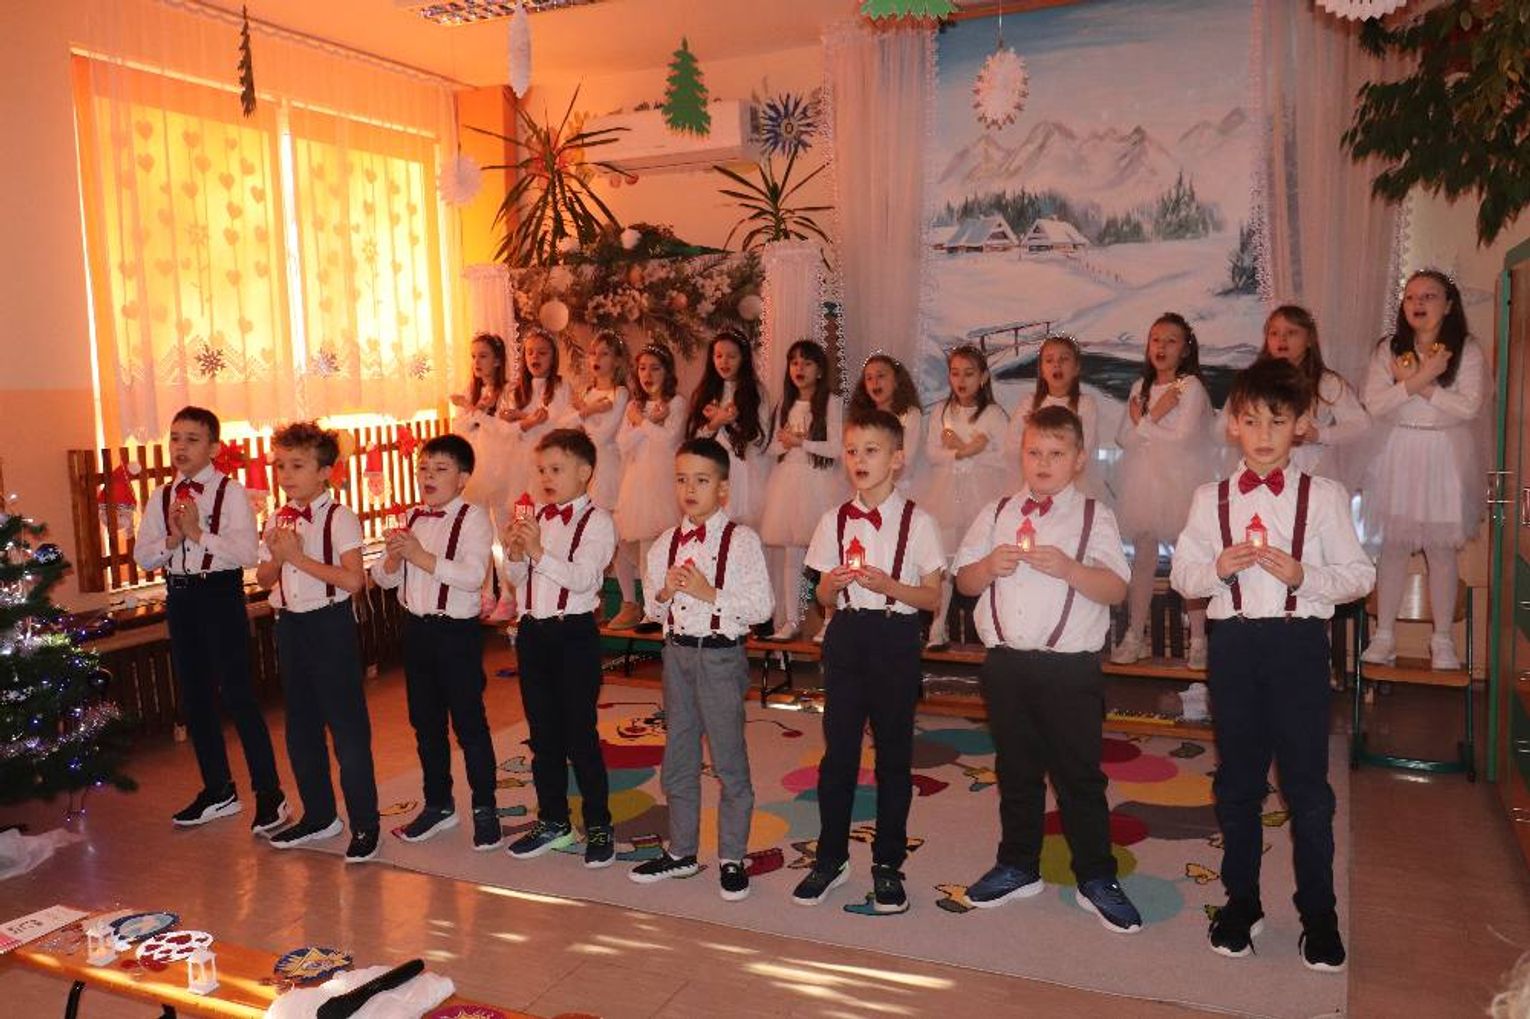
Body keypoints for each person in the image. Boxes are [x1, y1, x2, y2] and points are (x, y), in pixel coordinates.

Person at [1170, 359, 1374, 971]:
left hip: (1297, 648)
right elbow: (1183, 575)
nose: (1263, 434)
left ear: (1302, 425)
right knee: (1238, 783)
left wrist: (1305, 576)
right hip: (1233, 649)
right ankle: (1242, 902)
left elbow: (1360, 576)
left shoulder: (1324, 497)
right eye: (1252, 420)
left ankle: (1319, 913)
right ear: (1233, 424)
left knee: (1308, 789)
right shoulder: (1210, 499)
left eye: (1278, 421)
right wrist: (1217, 570)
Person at [954, 405, 1143, 934]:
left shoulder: (1094, 516)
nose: (1043, 462)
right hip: (1006, 666)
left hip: (1070, 671)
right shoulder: (997, 512)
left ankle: (1096, 875)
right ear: (1021, 454)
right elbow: (964, 582)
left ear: (1079, 459)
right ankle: (1018, 865)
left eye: (1056, 453)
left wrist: (1070, 569)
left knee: (1078, 776)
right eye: (1034, 452)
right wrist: (987, 567)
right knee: (1016, 771)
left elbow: (1117, 589)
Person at [792, 410, 945, 913]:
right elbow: (822, 596)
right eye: (852, 451)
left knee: (894, 758)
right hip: (847, 637)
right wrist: (830, 588)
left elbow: (932, 598)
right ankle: (830, 857)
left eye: (871, 450)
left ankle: (888, 864)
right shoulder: (832, 520)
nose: (859, 459)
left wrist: (890, 586)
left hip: (896, 638)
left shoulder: (919, 521)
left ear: (897, 458)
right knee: (838, 755)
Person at [628, 437, 773, 899]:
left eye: (702, 480)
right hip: (676, 656)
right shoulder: (665, 543)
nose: (690, 489)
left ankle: (731, 855)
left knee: (728, 759)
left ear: (723, 489)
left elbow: (761, 607)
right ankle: (682, 851)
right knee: (679, 754)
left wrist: (709, 593)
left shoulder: (742, 541)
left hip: (720, 657)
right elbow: (653, 609)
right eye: (682, 480)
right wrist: (666, 592)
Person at [133, 406, 286, 833]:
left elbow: (246, 554)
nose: (180, 447)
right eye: (175, 438)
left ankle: (270, 793)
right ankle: (218, 790)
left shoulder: (230, 492)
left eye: (192, 439)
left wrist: (198, 534)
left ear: (214, 448)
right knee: (195, 697)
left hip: (219, 595)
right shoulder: (161, 495)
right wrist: (172, 539)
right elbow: (144, 556)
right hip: (180, 597)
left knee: (239, 695)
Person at [371, 434, 501, 851]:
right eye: (423, 468)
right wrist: (394, 557)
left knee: (469, 725)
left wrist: (419, 555)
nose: (428, 476)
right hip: (417, 632)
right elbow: (383, 579)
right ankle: (438, 804)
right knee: (425, 724)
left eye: (440, 469)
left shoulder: (474, 518)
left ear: (463, 478)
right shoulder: (411, 516)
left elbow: (471, 576)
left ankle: (485, 807)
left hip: (456, 635)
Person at [256, 422, 379, 863]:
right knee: (301, 728)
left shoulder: (339, 517)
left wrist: (297, 557)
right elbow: (264, 578)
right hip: (289, 626)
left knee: (346, 729)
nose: (286, 475)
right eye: (280, 466)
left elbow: (353, 581)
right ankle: (319, 814)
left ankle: (365, 824)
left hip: (329, 625)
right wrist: (277, 557)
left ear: (325, 471)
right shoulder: (276, 518)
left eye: (297, 465)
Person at [1359, 269, 1486, 670]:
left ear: (1448, 305)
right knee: (1393, 547)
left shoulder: (1466, 349)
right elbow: (1375, 403)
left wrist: (1423, 383)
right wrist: (1418, 380)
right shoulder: (1389, 348)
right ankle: (1384, 636)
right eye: (1411, 296)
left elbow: (1468, 407)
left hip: (1443, 453)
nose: (1418, 303)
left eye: (1429, 296)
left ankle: (1442, 640)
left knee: (1441, 549)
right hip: (1398, 451)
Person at [503, 429, 618, 867]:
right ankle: (553, 819)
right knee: (543, 735)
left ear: (585, 472)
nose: (546, 478)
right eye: (542, 470)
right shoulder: (539, 518)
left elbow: (584, 580)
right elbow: (517, 579)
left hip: (573, 635)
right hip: (533, 634)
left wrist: (537, 550)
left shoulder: (598, 522)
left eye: (556, 469)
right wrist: (516, 553)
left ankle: (599, 823)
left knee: (579, 734)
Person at [1110, 312, 1215, 669]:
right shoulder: (1140, 387)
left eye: (1171, 341)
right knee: (1143, 559)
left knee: (1188, 558)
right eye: (1156, 339)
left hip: (1181, 480)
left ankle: (1198, 639)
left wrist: (1144, 423)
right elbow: (1123, 437)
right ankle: (1135, 634)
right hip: (1145, 481)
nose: (1161, 347)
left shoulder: (1190, 387)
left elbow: (1183, 438)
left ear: (1185, 349)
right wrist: (1152, 417)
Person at [914, 344, 1009, 649]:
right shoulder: (941, 412)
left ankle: (996, 629)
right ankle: (937, 626)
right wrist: (964, 451)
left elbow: (1005, 456)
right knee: (944, 561)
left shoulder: (993, 414)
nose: (961, 380)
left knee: (984, 560)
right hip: (946, 494)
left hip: (983, 494)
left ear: (983, 377)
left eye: (969, 373)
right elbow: (932, 453)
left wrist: (969, 450)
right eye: (955, 373)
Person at [1217, 307, 1370, 488]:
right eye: (1274, 333)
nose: (1282, 339)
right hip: (1260, 468)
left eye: (1291, 333)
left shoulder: (1327, 382)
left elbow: (1360, 425)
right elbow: (1221, 429)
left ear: (1309, 339)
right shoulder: (1252, 382)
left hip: (1313, 469)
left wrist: (1319, 435)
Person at [758, 340, 846, 641]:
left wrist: (802, 442)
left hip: (820, 481)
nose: (799, 368)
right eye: (794, 362)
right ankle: (791, 620)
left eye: (807, 363)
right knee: (791, 555)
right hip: (788, 482)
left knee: (826, 554)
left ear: (819, 370)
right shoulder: (785, 403)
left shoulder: (831, 402)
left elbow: (836, 448)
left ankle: (830, 620)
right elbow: (771, 448)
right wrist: (785, 443)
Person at [561, 330, 637, 627]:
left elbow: (604, 435)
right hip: (587, 472)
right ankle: (593, 601)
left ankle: (630, 603)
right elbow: (565, 427)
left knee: (616, 539)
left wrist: (584, 416)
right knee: (589, 538)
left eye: (605, 353)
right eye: (593, 353)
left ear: (617, 360)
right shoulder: (588, 395)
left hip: (610, 471)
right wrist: (589, 409)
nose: (597, 359)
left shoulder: (620, 393)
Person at [614, 344, 688, 616]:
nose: (648, 374)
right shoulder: (634, 406)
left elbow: (668, 441)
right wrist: (645, 420)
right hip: (638, 485)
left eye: (655, 368)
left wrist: (643, 423)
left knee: (667, 550)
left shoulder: (676, 403)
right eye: (643, 368)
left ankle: (671, 609)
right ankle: (651, 610)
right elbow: (623, 444)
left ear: (667, 372)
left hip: (665, 483)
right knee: (646, 551)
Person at [450, 332, 517, 620]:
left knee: (503, 532)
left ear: (498, 360)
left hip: (500, 468)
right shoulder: (473, 392)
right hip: (477, 468)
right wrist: (474, 410)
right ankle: (486, 592)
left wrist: (478, 413)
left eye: (484, 356)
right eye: (474, 356)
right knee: (480, 533)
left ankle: (509, 594)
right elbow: (461, 427)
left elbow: (507, 429)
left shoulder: (509, 391)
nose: (477, 362)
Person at [685, 330, 773, 526]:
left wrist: (731, 421)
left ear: (743, 359)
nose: (724, 362)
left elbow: (761, 437)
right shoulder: (705, 391)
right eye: (718, 356)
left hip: (743, 469)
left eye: (732, 356)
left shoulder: (756, 392)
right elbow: (694, 441)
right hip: (712, 469)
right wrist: (716, 422)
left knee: (739, 529)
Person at [1004, 335, 1101, 498]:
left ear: (1076, 368)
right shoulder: (1029, 403)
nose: (1057, 365)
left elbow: (1085, 447)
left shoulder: (1085, 404)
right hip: (1033, 485)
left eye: (1064, 359)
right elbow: (1011, 446)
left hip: (1072, 488)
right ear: (1042, 370)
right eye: (1049, 360)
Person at [501, 327, 573, 515]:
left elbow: (554, 421)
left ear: (553, 357)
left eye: (542, 353)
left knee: (546, 509)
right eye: (530, 352)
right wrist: (528, 420)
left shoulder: (560, 386)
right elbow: (506, 427)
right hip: (519, 460)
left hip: (548, 458)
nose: (535, 357)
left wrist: (520, 416)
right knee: (521, 511)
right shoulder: (513, 390)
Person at [848, 352, 924, 493]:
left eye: (881, 376)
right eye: (869, 378)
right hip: (867, 489)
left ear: (896, 381)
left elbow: (907, 459)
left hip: (901, 488)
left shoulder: (910, 414)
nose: (874, 383)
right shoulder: (860, 417)